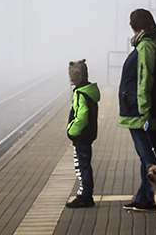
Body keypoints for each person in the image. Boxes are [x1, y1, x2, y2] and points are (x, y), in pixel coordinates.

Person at [119, 8, 156, 211]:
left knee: (148, 157)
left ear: (135, 25)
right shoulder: (155, 43)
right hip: (154, 108)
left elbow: (144, 79)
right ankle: (144, 197)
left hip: (140, 111)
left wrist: (143, 111)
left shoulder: (146, 46)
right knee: (153, 153)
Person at [65, 59, 100, 208]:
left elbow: (82, 116)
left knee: (82, 166)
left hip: (81, 137)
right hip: (87, 136)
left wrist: (71, 131)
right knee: (84, 165)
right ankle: (85, 194)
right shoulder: (88, 91)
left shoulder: (80, 94)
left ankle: (85, 196)